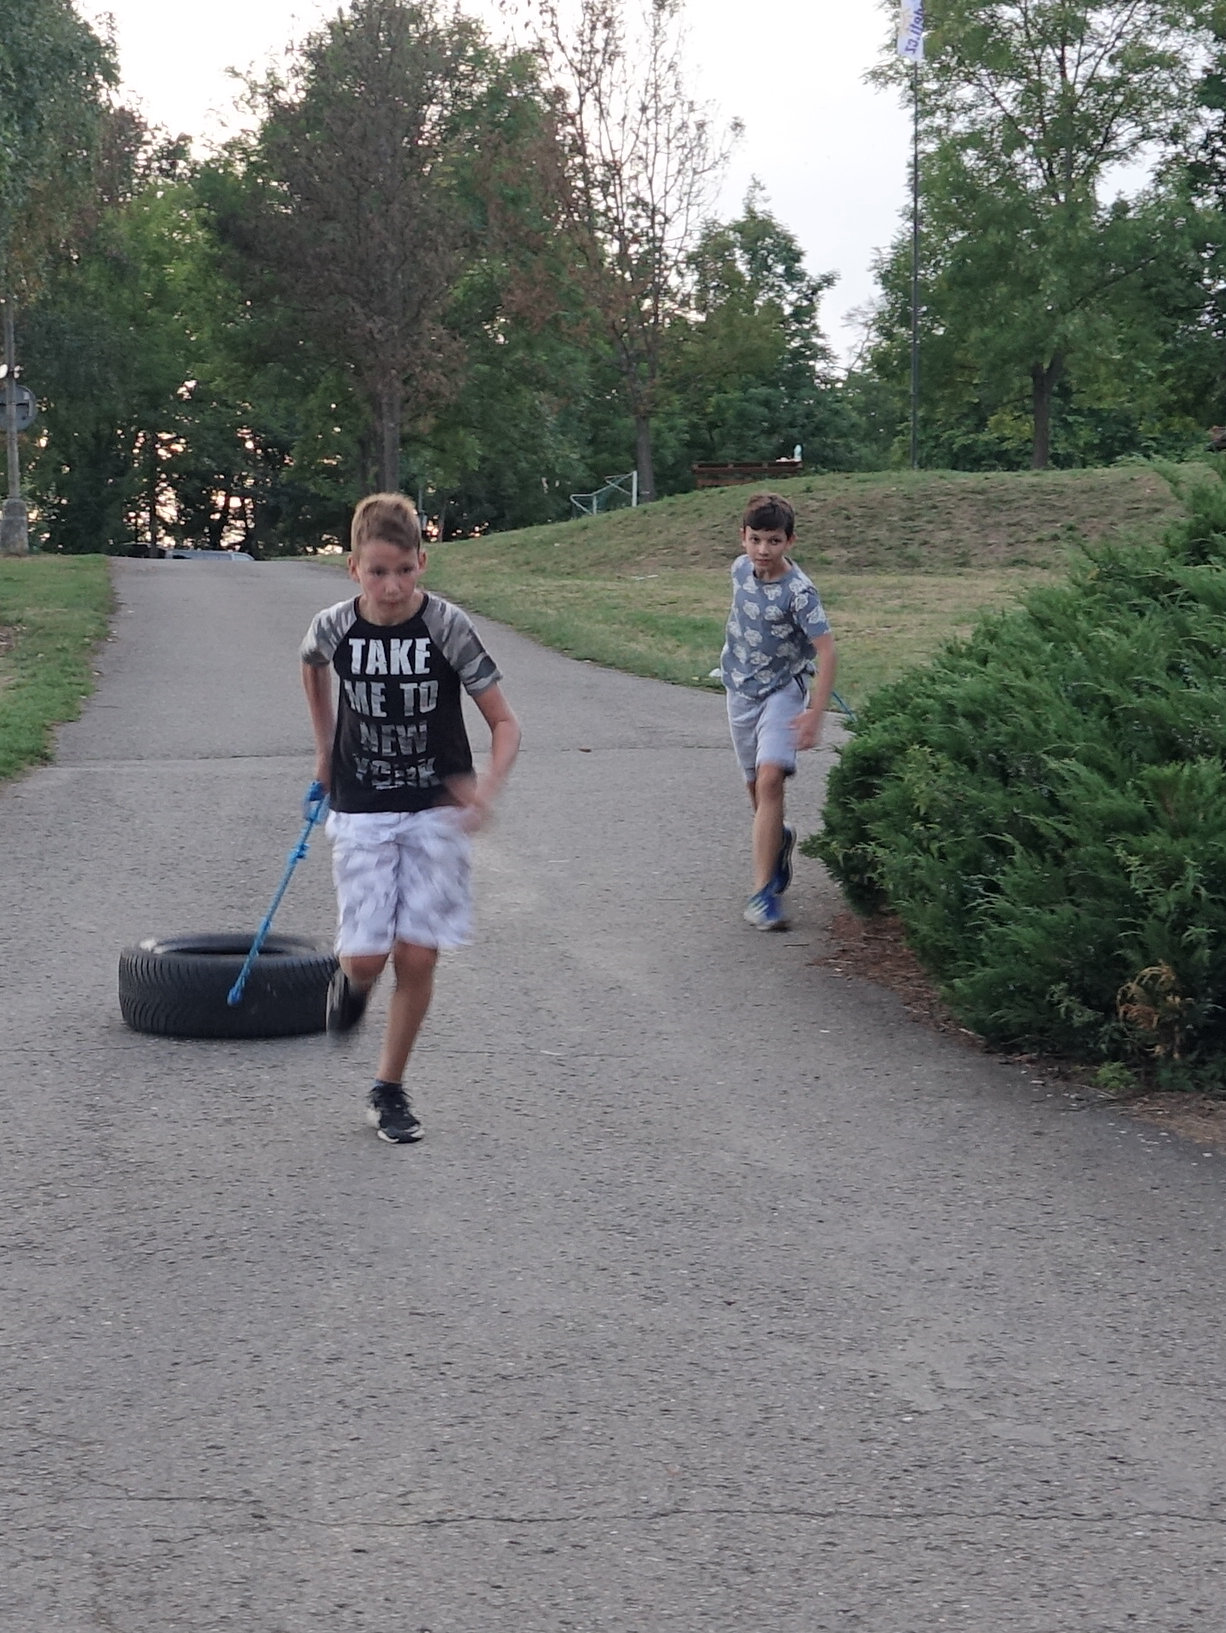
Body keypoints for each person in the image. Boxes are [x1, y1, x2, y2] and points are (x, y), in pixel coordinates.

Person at [301, 492, 520, 1143]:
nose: (392, 586)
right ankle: (352, 984)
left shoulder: (446, 627)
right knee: (368, 958)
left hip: (433, 811)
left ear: (422, 562)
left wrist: (485, 788)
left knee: (418, 956)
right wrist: (324, 752)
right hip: (362, 807)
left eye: (404, 570)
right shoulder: (334, 626)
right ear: (353, 568)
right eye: (377, 572)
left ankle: (388, 1088)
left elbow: (505, 723)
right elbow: (311, 664)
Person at [720, 490, 837, 932]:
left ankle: (762, 895)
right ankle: (779, 837)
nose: (763, 550)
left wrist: (815, 714)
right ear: (743, 538)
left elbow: (828, 652)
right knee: (756, 788)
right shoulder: (739, 570)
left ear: (790, 541)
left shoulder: (800, 593)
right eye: (755, 540)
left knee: (771, 780)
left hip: (783, 693)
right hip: (740, 691)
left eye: (773, 541)